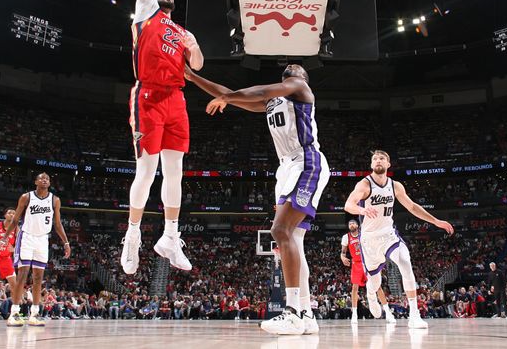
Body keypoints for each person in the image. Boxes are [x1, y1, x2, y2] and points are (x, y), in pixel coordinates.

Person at [186, 64, 330, 335]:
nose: (293, 65)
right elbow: (230, 92)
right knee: (294, 239)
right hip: (286, 167)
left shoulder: (299, 88)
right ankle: (307, 313)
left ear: (303, 78)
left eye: (298, 66)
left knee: (280, 230)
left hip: (306, 160)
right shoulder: (273, 102)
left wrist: (227, 98)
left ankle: (292, 311)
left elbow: (255, 91)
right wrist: (193, 77)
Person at [121, 0, 204, 276]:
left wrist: (195, 44)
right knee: (146, 171)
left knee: (175, 171)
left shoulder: (180, 30)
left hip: (176, 99)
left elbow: (198, 65)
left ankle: (170, 236)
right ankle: (133, 234)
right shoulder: (144, 13)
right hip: (149, 97)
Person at [344, 150, 454, 329]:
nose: (378, 161)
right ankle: (371, 295)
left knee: (404, 260)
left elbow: (411, 206)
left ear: (388, 164)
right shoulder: (364, 184)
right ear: (371, 165)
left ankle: (414, 315)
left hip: (388, 235)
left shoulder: (395, 186)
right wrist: (362, 210)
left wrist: (436, 221)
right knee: (374, 283)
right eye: (374, 159)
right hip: (369, 240)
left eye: (382, 158)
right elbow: (348, 204)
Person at [1, 172, 71, 327]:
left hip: (42, 239)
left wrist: (66, 242)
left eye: (47, 178)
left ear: (50, 183)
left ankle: (34, 314)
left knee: (39, 278)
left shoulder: (55, 200)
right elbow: (15, 219)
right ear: (35, 181)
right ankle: (14, 313)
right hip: (26, 237)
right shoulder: (26, 197)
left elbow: (57, 224)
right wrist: (5, 238)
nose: (44, 180)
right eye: (41, 178)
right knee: (22, 275)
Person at [340, 219, 395, 324]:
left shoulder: (364, 234)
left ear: (357, 225)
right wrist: (342, 258)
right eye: (349, 224)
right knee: (354, 287)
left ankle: (388, 313)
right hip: (356, 263)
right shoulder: (346, 237)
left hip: (368, 261)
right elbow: (343, 252)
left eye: (353, 223)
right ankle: (354, 314)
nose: (351, 225)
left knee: (377, 287)